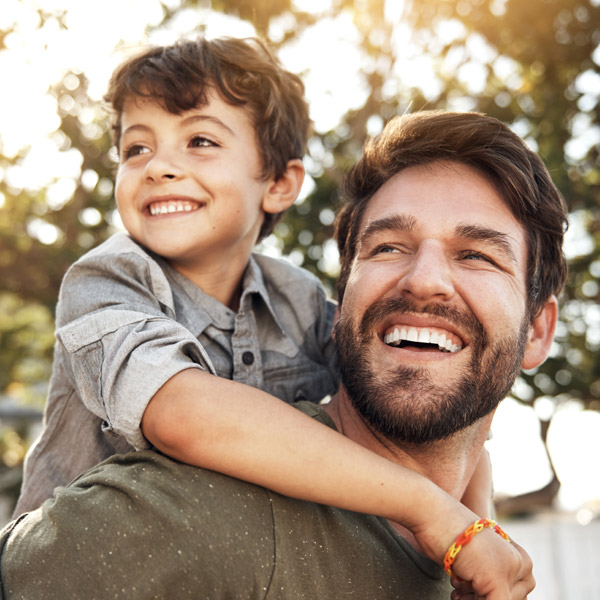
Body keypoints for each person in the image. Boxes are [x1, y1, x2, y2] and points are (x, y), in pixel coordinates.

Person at [0, 110, 566, 599]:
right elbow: (177, 410)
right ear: (342, 306)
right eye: (389, 247)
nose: (424, 280)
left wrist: (471, 526)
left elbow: (472, 450)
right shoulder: (194, 517)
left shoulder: (473, 552)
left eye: (476, 256)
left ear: (538, 331)